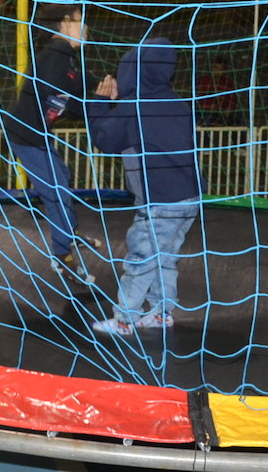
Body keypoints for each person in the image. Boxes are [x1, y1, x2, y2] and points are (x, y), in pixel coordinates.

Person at [84, 37, 204, 336]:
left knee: (141, 258)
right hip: (189, 198)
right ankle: (162, 313)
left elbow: (105, 140)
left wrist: (100, 103)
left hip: (160, 201)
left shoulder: (134, 107)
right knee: (165, 259)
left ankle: (124, 319)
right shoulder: (177, 103)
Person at [4, 1, 107, 284]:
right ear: (64, 24)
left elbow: (79, 82)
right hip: (25, 136)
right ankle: (62, 257)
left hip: (37, 134)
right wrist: (95, 102)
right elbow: (58, 93)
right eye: (79, 19)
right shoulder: (56, 53)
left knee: (62, 176)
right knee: (56, 192)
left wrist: (102, 86)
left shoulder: (66, 57)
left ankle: (70, 233)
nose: (85, 26)